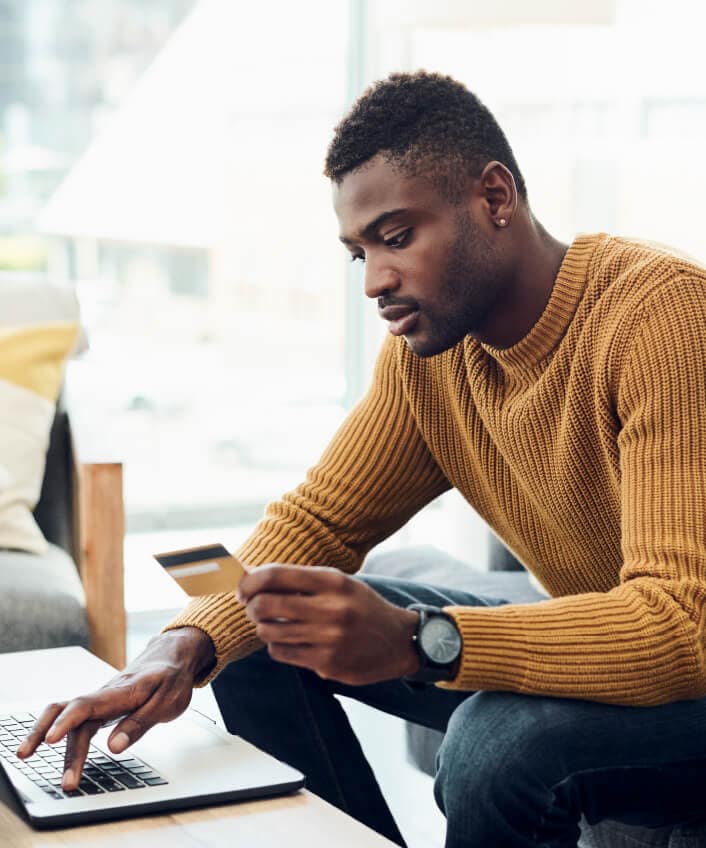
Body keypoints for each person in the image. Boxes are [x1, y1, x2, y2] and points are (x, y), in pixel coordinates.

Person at [18, 71, 706, 847]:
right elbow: (319, 519)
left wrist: (422, 639)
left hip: (691, 664)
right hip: (617, 649)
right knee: (268, 625)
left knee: (494, 745)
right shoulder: (432, 356)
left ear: (495, 198)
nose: (377, 281)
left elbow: (682, 626)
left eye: (398, 235)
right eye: (360, 254)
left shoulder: (662, 317)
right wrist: (178, 646)